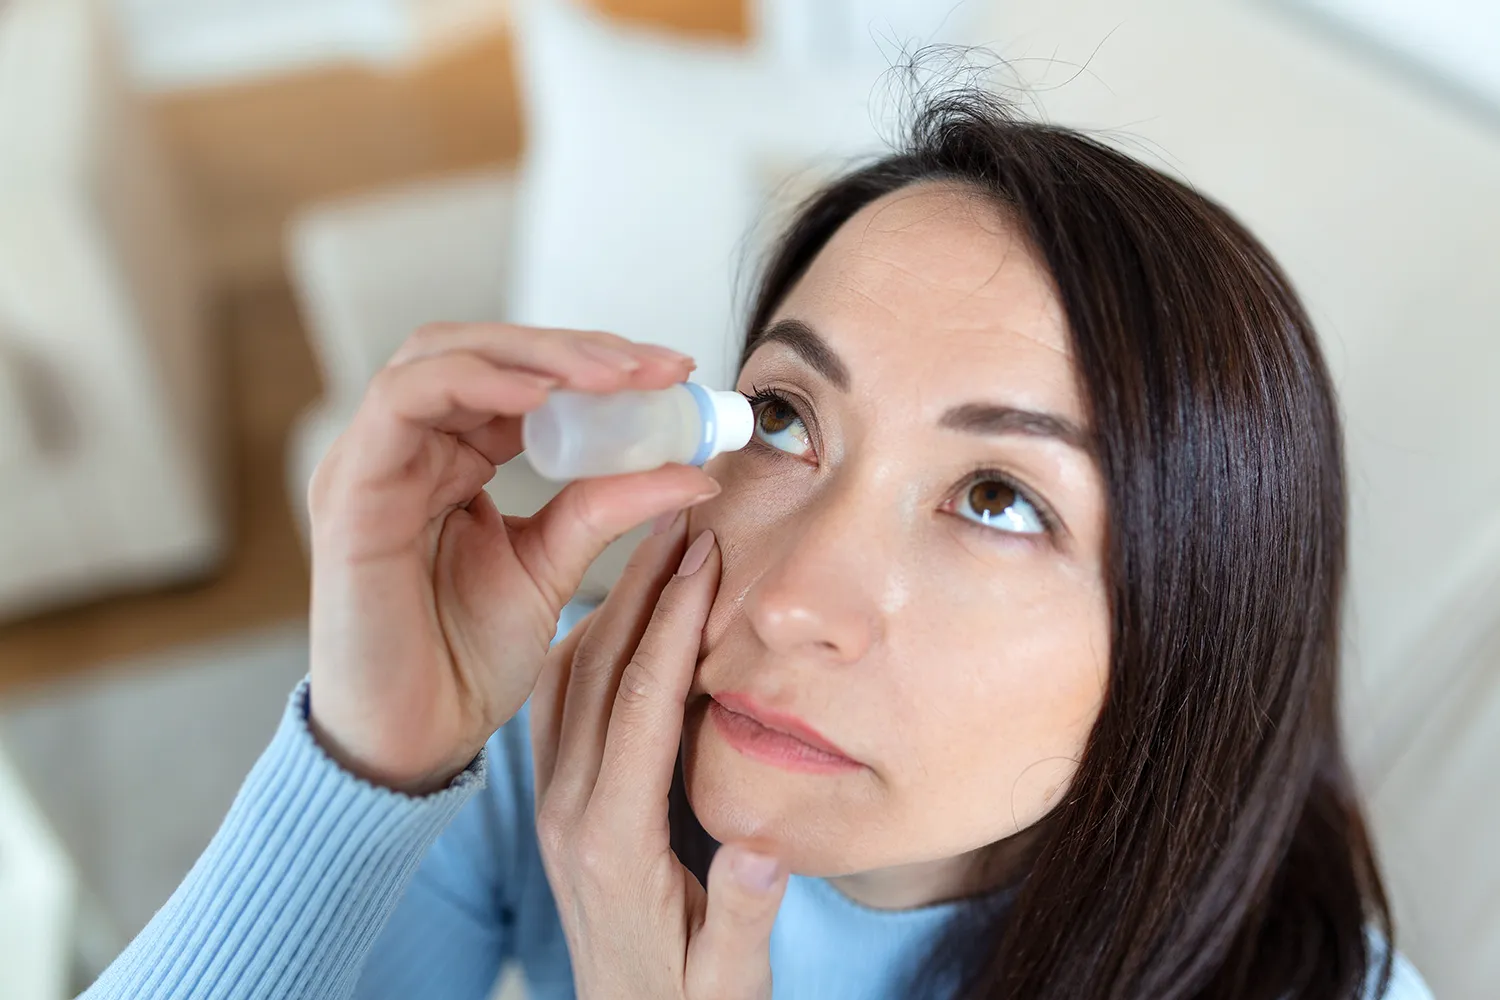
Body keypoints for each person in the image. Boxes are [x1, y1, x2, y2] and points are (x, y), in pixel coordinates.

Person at [81, 90, 1432, 1000]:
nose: (789, 603)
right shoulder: (556, 729)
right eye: (785, 418)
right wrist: (362, 769)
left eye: (998, 498)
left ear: (1197, 634)